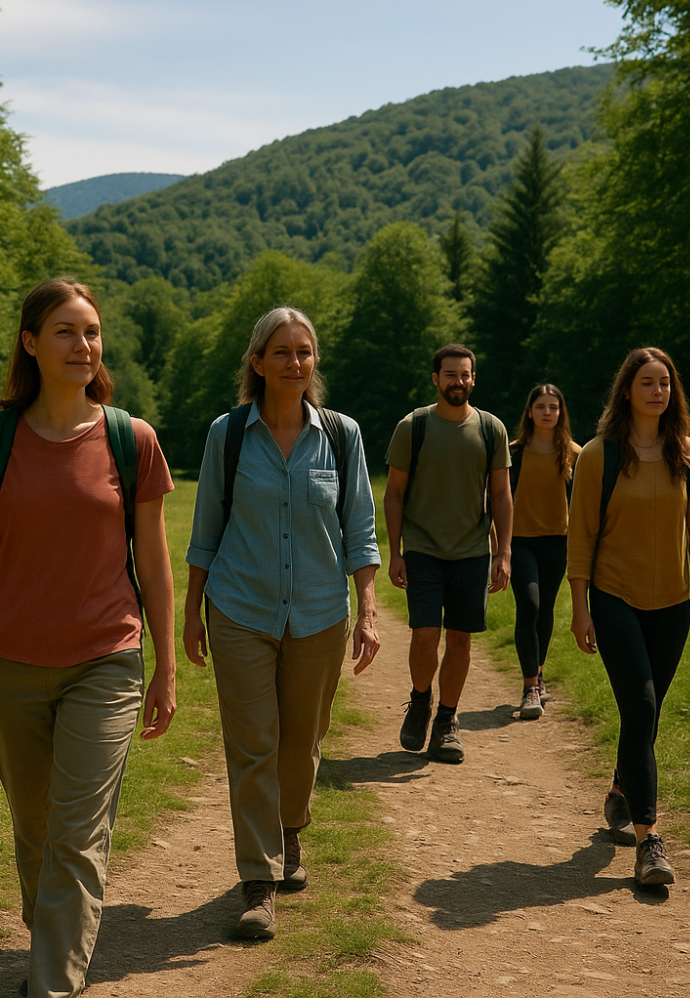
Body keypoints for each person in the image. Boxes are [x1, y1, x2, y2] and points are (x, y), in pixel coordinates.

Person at [0, 277, 178, 998]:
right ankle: (55, 948)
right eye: (66, 331)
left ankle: (50, 986)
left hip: (106, 662)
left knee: (76, 834)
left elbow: (155, 568)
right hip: (7, 664)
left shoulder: (133, 440)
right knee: (36, 829)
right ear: (31, 343)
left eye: (91, 331)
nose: (83, 344)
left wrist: (165, 668)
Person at [183, 307, 381, 940]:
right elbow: (205, 528)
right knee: (253, 746)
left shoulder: (343, 436)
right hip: (240, 607)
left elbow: (360, 532)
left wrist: (369, 612)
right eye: (282, 351)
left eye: (304, 351)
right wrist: (192, 610)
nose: (294, 362)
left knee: (303, 742)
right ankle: (259, 881)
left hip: (321, 613)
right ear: (257, 362)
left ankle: (291, 831)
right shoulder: (229, 434)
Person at [566, 346, 690, 887]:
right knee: (642, 706)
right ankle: (649, 841)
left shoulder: (689, 454)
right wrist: (580, 606)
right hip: (615, 597)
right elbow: (581, 535)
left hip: (674, 604)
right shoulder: (598, 454)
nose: (658, 391)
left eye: (665, 383)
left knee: (645, 719)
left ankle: (620, 787)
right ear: (627, 391)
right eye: (647, 383)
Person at [385, 343, 512, 764]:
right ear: (435, 379)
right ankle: (420, 700)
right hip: (422, 549)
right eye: (450, 374)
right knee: (425, 635)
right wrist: (396, 550)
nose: (459, 381)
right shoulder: (413, 427)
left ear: (474, 379)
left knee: (460, 640)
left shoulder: (491, 429)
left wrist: (503, 551)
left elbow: (500, 495)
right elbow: (395, 493)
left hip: (473, 552)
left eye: (465, 375)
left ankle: (446, 721)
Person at [508, 384, 582, 719]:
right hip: (520, 542)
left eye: (553, 407)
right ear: (530, 411)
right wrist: (499, 548)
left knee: (546, 609)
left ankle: (538, 674)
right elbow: (497, 499)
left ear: (561, 412)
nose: (547, 412)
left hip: (557, 542)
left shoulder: (574, 454)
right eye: (541, 406)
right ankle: (529, 688)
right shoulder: (513, 453)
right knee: (530, 604)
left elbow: (584, 504)